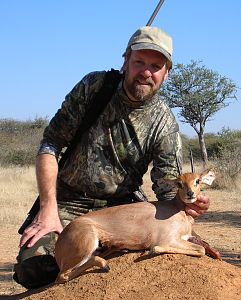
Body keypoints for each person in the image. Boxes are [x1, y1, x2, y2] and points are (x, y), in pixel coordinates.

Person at [13, 26, 210, 289]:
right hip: (68, 200)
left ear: (167, 72)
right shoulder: (94, 88)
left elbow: (167, 191)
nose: (146, 72)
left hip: (120, 209)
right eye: (139, 62)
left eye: (156, 65)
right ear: (126, 60)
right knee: (32, 268)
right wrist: (48, 210)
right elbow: (51, 144)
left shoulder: (164, 124)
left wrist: (190, 212)